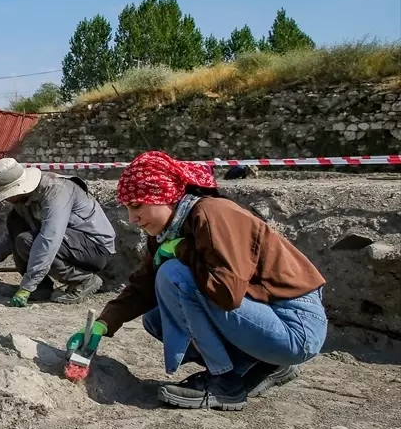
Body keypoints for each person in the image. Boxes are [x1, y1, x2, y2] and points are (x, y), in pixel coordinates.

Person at [68, 151, 327, 411]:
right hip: (268, 321)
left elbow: (227, 293)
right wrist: (103, 324)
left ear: (165, 197)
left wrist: (182, 250)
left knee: (173, 276)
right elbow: (143, 286)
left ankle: (224, 382)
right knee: (157, 319)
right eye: (127, 208)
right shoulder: (170, 228)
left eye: (137, 205)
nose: (131, 218)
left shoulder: (212, 213)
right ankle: (266, 364)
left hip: (294, 327)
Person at [0, 158, 115, 306]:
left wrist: (27, 286)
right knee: (15, 221)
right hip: (68, 243)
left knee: (27, 241)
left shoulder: (55, 191)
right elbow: (12, 235)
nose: (4, 199)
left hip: (94, 247)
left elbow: (49, 239)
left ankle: (83, 280)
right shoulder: (23, 200)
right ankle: (41, 288)